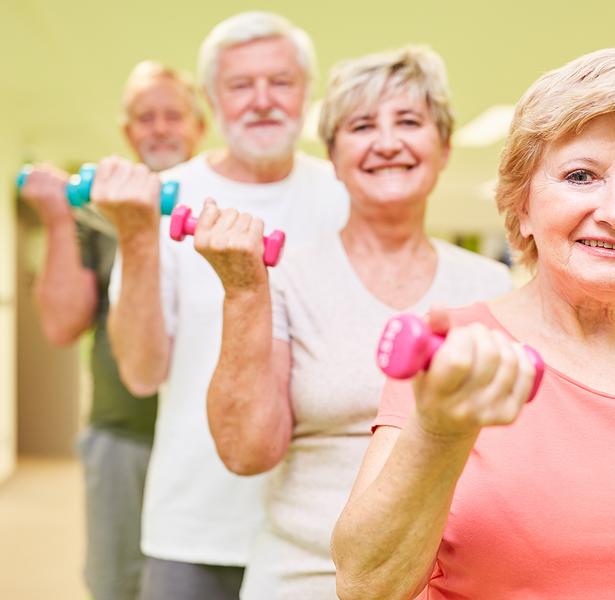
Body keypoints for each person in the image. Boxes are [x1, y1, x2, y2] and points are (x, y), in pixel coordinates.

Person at [331, 46, 615, 600]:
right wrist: (441, 430)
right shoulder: (453, 357)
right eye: (581, 175)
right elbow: (366, 585)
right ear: (521, 207)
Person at [193, 46, 514, 599]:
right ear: (335, 158)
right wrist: (245, 290)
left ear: (443, 148)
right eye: (362, 126)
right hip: (302, 574)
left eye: (409, 121)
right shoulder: (285, 275)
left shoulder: (493, 287)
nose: (387, 142)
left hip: (448, 581)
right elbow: (246, 452)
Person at [90, 11, 350, 600]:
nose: (262, 100)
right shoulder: (159, 201)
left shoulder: (344, 197)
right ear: (213, 98)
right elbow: (140, 371)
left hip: (321, 526)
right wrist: (135, 235)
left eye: (280, 82)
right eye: (240, 85)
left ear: (306, 92)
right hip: (193, 528)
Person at [18, 61, 203, 600]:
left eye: (174, 115)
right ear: (128, 133)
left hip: (208, 440)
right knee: (117, 585)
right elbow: (61, 324)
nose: (161, 128)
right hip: (124, 435)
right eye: (146, 117)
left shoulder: (222, 204)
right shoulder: (98, 211)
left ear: (199, 126)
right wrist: (58, 217)